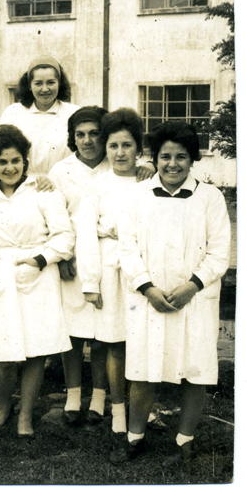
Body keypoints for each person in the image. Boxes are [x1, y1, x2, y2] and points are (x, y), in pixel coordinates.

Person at [112, 121, 231, 466]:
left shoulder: (210, 197)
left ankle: (185, 441)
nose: (172, 164)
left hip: (193, 299)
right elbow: (127, 249)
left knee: (195, 368)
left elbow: (220, 251)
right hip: (148, 299)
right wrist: (148, 288)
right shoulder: (136, 196)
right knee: (142, 368)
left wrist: (192, 286)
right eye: (165, 156)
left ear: (192, 159)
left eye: (181, 157)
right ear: (156, 158)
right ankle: (135, 438)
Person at [49, 107, 154, 427]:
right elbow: (63, 219)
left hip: (125, 264)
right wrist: (70, 261)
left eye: (95, 133)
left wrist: (148, 165)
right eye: (80, 134)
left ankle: (101, 399)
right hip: (81, 259)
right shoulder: (67, 173)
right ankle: (75, 397)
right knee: (79, 332)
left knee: (108, 337)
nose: (87, 140)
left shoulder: (136, 174)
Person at [0, 125, 75, 438]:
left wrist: (41, 260)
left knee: (36, 350)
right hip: (1, 272)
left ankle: (25, 415)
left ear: (25, 159)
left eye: (16, 160)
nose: (10, 167)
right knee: (2, 353)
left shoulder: (43, 189)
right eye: (2, 162)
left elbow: (65, 236)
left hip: (39, 271)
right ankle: (4, 406)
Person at [75, 108, 145, 436]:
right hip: (109, 268)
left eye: (127, 145)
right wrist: (90, 281)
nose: (120, 153)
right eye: (114, 146)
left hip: (143, 270)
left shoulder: (150, 180)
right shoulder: (97, 184)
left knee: (143, 340)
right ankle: (117, 410)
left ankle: (146, 406)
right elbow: (86, 234)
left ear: (138, 148)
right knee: (115, 342)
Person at [0, 55, 79, 175]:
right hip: (21, 183)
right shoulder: (13, 112)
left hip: (62, 181)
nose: (45, 89)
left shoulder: (74, 113)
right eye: (38, 83)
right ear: (29, 85)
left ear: (59, 84)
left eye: (51, 82)